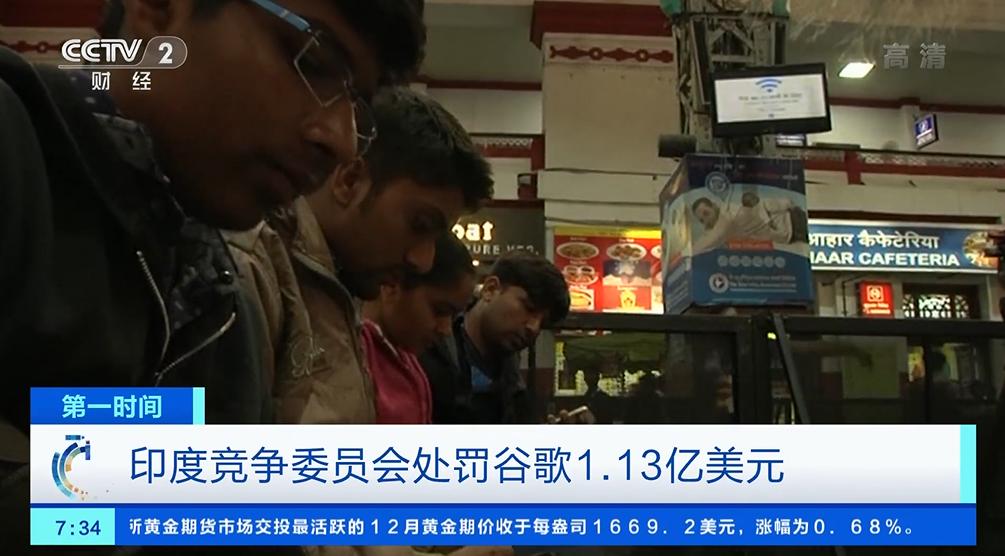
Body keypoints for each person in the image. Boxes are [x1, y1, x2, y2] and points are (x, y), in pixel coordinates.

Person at [227, 87, 494, 425]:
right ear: (350, 181)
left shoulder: (338, 289)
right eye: (420, 225)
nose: (423, 261)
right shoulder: (246, 270)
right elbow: (175, 430)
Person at [420, 251, 571, 425]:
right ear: (490, 289)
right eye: (528, 308)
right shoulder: (426, 354)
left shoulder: (514, 387)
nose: (533, 327)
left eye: (543, 323)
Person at [361, 234, 478, 424]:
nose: (446, 330)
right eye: (439, 311)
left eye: (453, 316)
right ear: (392, 285)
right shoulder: (350, 357)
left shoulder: (410, 362)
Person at [691, 190, 806, 253]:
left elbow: (711, 239)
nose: (707, 221)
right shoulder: (725, 219)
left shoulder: (729, 217)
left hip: (795, 223)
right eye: (702, 220)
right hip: (791, 230)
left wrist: (686, 253)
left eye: (706, 213)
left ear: (714, 206)